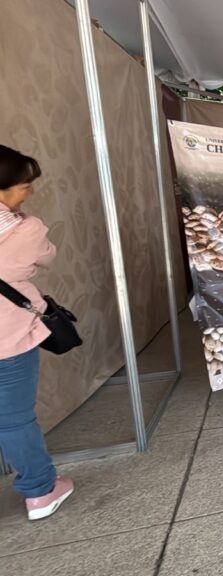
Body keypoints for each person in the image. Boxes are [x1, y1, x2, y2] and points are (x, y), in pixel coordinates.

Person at [0, 145, 74, 520]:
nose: (29, 192)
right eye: (24, 186)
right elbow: (46, 256)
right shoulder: (24, 228)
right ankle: (40, 491)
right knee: (14, 418)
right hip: (7, 338)